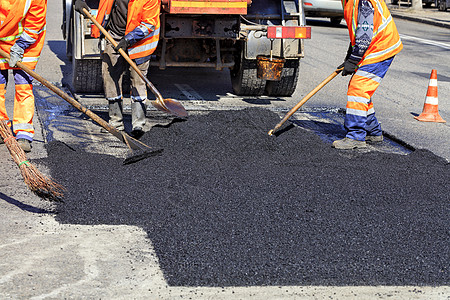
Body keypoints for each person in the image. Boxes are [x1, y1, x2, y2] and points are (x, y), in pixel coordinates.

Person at [74, 0, 160, 138]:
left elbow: (149, 24)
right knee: (110, 76)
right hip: (113, 35)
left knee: (138, 80)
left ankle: (138, 123)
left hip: (140, 42)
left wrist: (128, 40)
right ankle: (116, 121)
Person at [332, 0, 402, 149]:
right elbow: (358, 32)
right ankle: (373, 131)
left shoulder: (362, 1)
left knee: (358, 88)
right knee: (360, 89)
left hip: (381, 47)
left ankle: (355, 137)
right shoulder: (350, 1)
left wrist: (354, 60)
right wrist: (349, 57)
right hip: (375, 46)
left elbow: (365, 35)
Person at [0, 0, 47, 152]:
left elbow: (35, 22)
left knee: (23, 85)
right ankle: (2, 128)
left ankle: (24, 133)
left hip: (27, 44)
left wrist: (20, 46)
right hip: (1, 42)